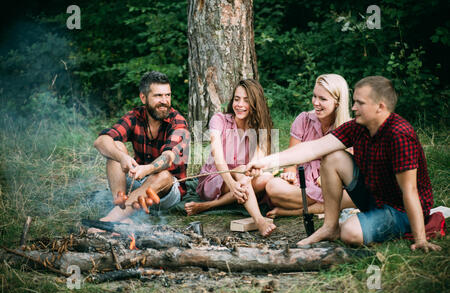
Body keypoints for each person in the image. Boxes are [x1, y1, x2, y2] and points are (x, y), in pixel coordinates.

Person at [246, 76, 441, 252]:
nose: (354, 107)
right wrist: (266, 162)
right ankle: (330, 227)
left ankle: (350, 227)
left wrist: (420, 239)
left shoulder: (399, 135)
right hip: (374, 197)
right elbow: (312, 149)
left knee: (350, 233)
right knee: (333, 157)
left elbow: (410, 190)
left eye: (360, 103)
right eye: (354, 101)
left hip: (399, 210)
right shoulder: (357, 127)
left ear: (380, 107)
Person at [90, 71, 190, 230]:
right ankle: (122, 208)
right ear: (143, 98)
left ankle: (110, 220)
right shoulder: (135, 116)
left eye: (168, 95)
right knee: (116, 147)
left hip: (166, 191)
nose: (164, 101)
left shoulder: (177, 121)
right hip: (139, 182)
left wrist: (148, 169)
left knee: (163, 175)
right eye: (158, 96)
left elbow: (169, 157)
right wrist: (122, 157)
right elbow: (101, 141)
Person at [184, 79, 276, 237]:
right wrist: (232, 183)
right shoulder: (219, 120)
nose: (239, 104)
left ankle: (208, 206)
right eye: (237, 99)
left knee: (266, 178)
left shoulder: (259, 128)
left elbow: (255, 164)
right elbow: (218, 158)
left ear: (256, 103)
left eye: (246, 100)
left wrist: (246, 178)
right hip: (214, 179)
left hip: (242, 181)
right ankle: (259, 220)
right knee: (241, 171)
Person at [264, 74, 354, 218]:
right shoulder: (304, 119)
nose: (316, 102)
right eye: (314, 96)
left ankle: (292, 210)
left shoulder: (349, 127)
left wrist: (328, 179)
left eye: (323, 99)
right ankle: (327, 205)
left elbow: (349, 173)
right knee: (272, 187)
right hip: (301, 184)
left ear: (337, 102)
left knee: (353, 194)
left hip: (328, 185)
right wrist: (290, 173)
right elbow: (291, 159)